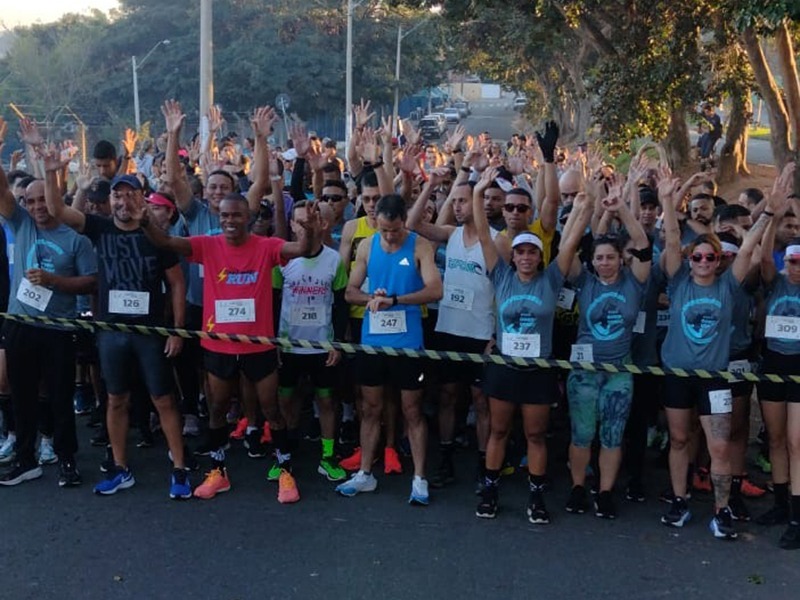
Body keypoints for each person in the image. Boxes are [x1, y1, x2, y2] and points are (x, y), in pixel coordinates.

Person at [141, 192, 320, 502]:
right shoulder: (207, 245)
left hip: (259, 346)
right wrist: (144, 221)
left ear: (247, 217)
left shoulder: (267, 247)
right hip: (219, 345)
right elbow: (166, 243)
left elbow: (302, 249)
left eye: (236, 215)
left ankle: (286, 471)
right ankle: (218, 472)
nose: (229, 221)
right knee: (218, 409)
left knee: (271, 410)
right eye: (224, 216)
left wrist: (310, 229)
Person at [45, 163, 191, 499]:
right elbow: (57, 210)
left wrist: (177, 330)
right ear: (110, 201)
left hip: (150, 331)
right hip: (111, 331)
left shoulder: (154, 234)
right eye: (118, 195)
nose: (124, 202)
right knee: (115, 398)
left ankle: (180, 468)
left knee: (163, 399)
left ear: (142, 199)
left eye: (131, 195)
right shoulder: (99, 228)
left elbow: (177, 282)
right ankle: (120, 467)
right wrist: (56, 172)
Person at [657, 175, 773, 540]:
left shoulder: (729, 285)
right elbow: (673, 238)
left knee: (719, 445)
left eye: (712, 256)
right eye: (699, 256)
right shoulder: (678, 283)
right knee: (678, 439)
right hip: (677, 373)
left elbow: (751, 242)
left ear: (720, 260)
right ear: (690, 260)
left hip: (715, 378)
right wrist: (667, 202)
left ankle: (722, 511)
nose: (705, 260)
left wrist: (770, 210)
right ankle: (679, 499)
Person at [473, 167, 592, 523]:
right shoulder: (502, 276)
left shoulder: (551, 280)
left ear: (540, 258)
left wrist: (587, 202)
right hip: (505, 368)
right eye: (520, 252)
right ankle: (490, 488)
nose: (525, 257)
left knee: (536, 434)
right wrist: (479, 192)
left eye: (531, 253)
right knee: (497, 430)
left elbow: (569, 242)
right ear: (513, 256)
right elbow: (482, 235)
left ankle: (537, 495)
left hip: (538, 371)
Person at [0, 144, 97, 488]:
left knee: (59, 396)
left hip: (58, 328)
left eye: (44, 200)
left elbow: (90, 281)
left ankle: (66, 458)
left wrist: (56, 281)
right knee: (22, 395)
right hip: (20, 325)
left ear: (55, 197)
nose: (38, 207)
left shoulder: (75, 239)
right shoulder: (22, 224)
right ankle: (26, 460)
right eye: (31, 201)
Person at [335, 194, 442, 504]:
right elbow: (350, 292)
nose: (389, 236)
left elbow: (436, 289)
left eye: (394, 230)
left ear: (403, 222)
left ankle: (419, 478)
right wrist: (371, 298)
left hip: (408, 342)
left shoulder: (419, 245)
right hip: (373, 341)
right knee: (369, 409)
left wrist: (395, 300)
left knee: (412, 411)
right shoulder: (368, 246)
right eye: (384, 230)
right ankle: (365, 473)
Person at [564, 189, 651, 519]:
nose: (604, 262)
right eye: (599, 257)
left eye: (610, 257)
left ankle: (605, 492)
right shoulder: (584, 282)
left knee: (613, 435)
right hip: (584, 371)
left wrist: (622, 210)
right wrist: (584, 211)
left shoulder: (634, 283)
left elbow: (642, 245)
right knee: (582, 433)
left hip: (619, 372)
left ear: (620, 259)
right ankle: (576, 487)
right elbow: (568, 248)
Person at [273, 201, 349, 484]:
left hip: (322, 347)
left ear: (320, 224)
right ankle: (285, 456)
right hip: (289, 345)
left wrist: (338, 343)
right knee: (286, 400)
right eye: (299, 221)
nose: (304, 226)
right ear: (291, 225)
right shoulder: (282, 258)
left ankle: (328, 457)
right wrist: (274, 343)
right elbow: (273, 300)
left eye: (310, 221)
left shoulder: (334, 260)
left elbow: (340, 305)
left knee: (327, 401)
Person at [754, 163, 800, 550]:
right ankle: (781, 502)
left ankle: (798, 515)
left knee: (797, 441)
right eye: (792, 261)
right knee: (776, 440)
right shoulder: (774, 279)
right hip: (773, 364)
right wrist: (773, 209)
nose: (795, 267)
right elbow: (764, 255)